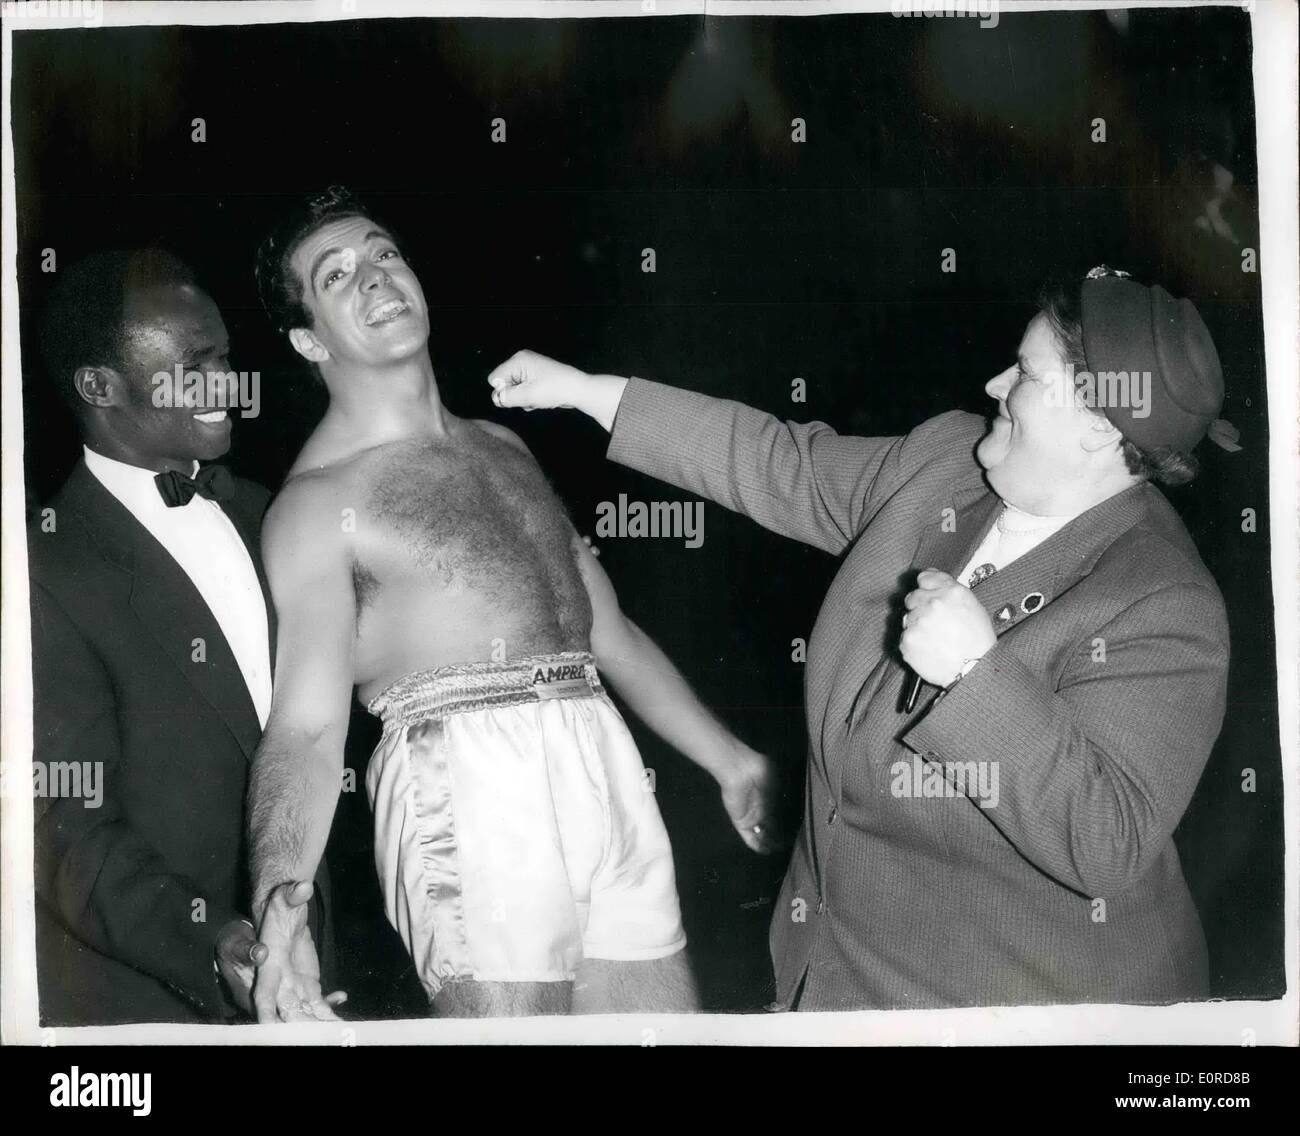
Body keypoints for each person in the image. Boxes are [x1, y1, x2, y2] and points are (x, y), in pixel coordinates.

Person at [487, 265, 1241, 1010]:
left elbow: (1107, 839)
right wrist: (590, 392)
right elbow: (782, 464)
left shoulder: (1160, 602)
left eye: (1026, 373)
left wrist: (976, 675)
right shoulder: (948, 465)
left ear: (1101, 424)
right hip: (838, 980)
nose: (994, 386)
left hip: (1019, 1008)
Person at [247, 187, 775, 1021]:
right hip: (465, 777)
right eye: (336, 274)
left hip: (600, 753)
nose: (376, 278)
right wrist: (282, 900)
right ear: (307, 337)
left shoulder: (504, 446)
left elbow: (605, 631)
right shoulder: (315, 503)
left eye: (385, 253)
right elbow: (306, 730)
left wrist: (730, 761)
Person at [26, 250, 331, 1024]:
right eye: (194, 368)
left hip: (321, 970)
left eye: (226, 358)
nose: (230, 386)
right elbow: (67, 833)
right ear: (99, 387)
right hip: (164, 1002)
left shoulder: (274, 512)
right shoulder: (43, 568)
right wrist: (218, 943)